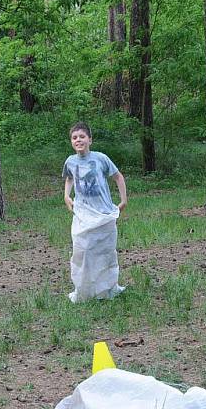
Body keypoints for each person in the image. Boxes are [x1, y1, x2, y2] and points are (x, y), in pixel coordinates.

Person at [62, 122, 127, 303]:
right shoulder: (70, 161)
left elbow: (118, 176)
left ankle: (107, 289)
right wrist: (66, 196)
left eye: (82, 136)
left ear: (90, 139)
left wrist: (123, 200)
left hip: (103, 212)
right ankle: (84, 290)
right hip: (83, 213)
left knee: (105, 251)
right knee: (82, 250)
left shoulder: (100, 158)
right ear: (71, 142)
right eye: (74, 138)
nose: (78, 140)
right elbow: (69, 178)